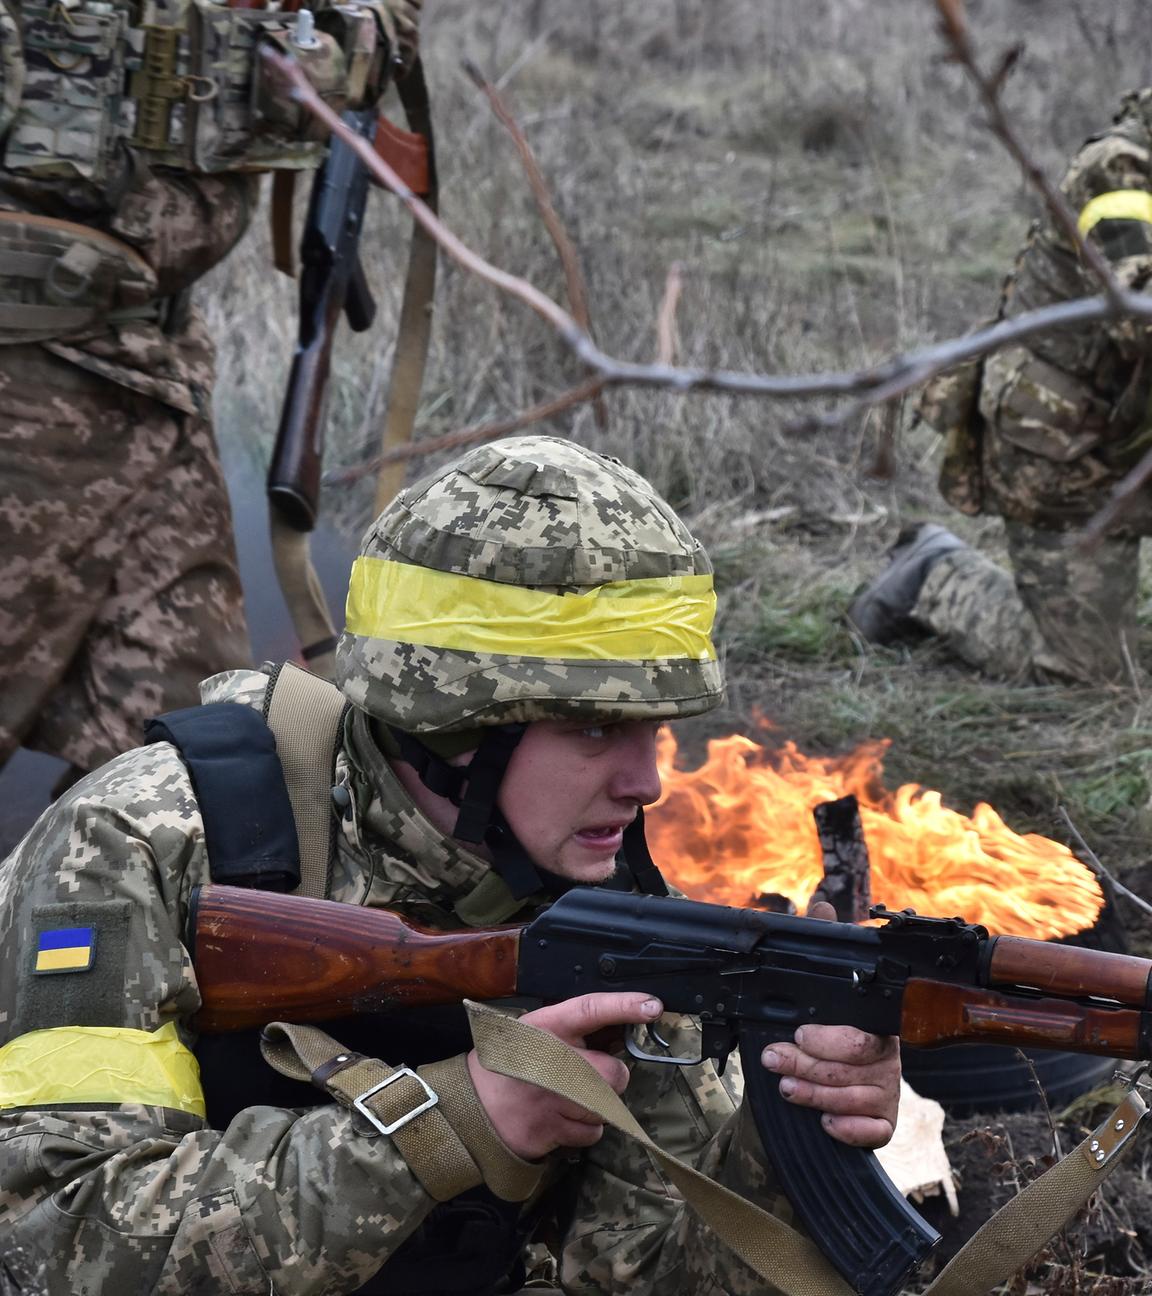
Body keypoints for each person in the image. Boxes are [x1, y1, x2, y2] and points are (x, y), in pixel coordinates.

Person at [0, 436, 901, 1295]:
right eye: (594, 729)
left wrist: (787, 1146)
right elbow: (57, 1244)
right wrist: (449, 1124)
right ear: (455, 722)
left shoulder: (599, 882)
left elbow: (635, 1272)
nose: (648, 781)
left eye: (655, 727)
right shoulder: (137, 840)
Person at [0, 0, 421, 794]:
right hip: (24, 382)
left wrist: (358, 35)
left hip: (151, 374)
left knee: (187, 769)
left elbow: (367, 37)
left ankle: (79, 925)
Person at [849, 88, 1152, 684]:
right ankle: (934, 572)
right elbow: (1138, 321)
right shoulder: (1121, 171)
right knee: (1090, 677)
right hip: (1066, 449)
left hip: (1135, 430)